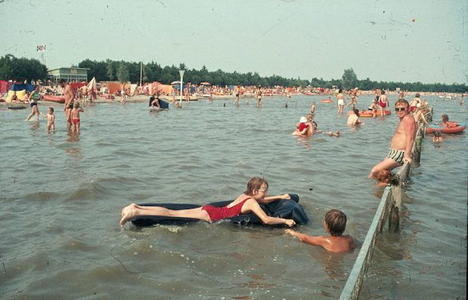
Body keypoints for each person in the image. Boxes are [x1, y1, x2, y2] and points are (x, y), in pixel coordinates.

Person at [119, 177, 297, 227]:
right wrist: (285, 220)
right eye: (264, 190)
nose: (266, 194)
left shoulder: (245, 196)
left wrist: (280, 197)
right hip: (212, 215)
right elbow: (266, 220)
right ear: (255, 191)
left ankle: (137, 206)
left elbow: (263, 199)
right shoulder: (252, 203)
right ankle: (137, 212)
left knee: (173, 211)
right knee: (172, 213)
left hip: (211, 209)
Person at [368, 99, 416, 178]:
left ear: (408, 109)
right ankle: (378, 189)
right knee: (382, 175)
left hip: (400, 154)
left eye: (402, 109)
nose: (399, 111)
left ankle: (366, 187)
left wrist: (407, 155)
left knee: (374, 171)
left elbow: (410, 138)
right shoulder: (404, 119)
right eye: (397, 109)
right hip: (394, 153)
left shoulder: (408, 119)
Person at [285, 209, 354, 253]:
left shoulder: (324, 240)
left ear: (327, 226)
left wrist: (293, 233)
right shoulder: (349, 238)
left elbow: (305, 238)